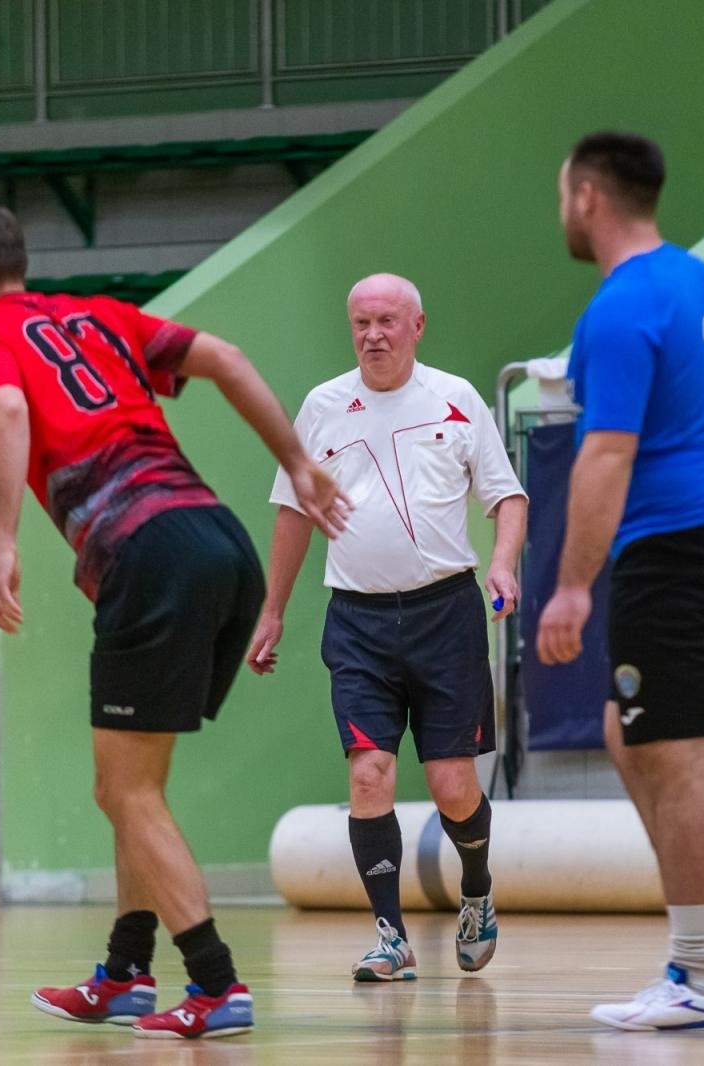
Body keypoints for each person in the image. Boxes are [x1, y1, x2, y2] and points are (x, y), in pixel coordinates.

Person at [0, 201, 348, 1040]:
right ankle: (124, 973)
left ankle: (217, 986)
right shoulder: (101, 315)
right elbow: (225, 358)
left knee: (124, 791)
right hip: (220, 542)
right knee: (134, 788)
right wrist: (296, 461)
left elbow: (7, 412)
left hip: (149, 556)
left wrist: (3, 542)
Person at [535, 132, 704, 1032]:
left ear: (588, 196)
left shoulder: (620, 305)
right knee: (629, 733)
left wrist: (572, 586)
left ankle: (701, 975)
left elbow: (605, 453)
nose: (561, 210)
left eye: (562, 194)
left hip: (676, 548)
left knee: (679, 763)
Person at [246, 273, 527, 982]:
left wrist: (502, 563)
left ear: (417, 326)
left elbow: (507, 496)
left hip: (447, 616)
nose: (373, 335)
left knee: (451, 784)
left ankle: (476, 888)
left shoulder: (456, 399)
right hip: (358, 622)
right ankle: (390, 937)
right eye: (361, 323)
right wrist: (272, 610)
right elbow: (293, 512)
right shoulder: (322, 407)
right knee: (368, 774)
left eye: (386, 322)